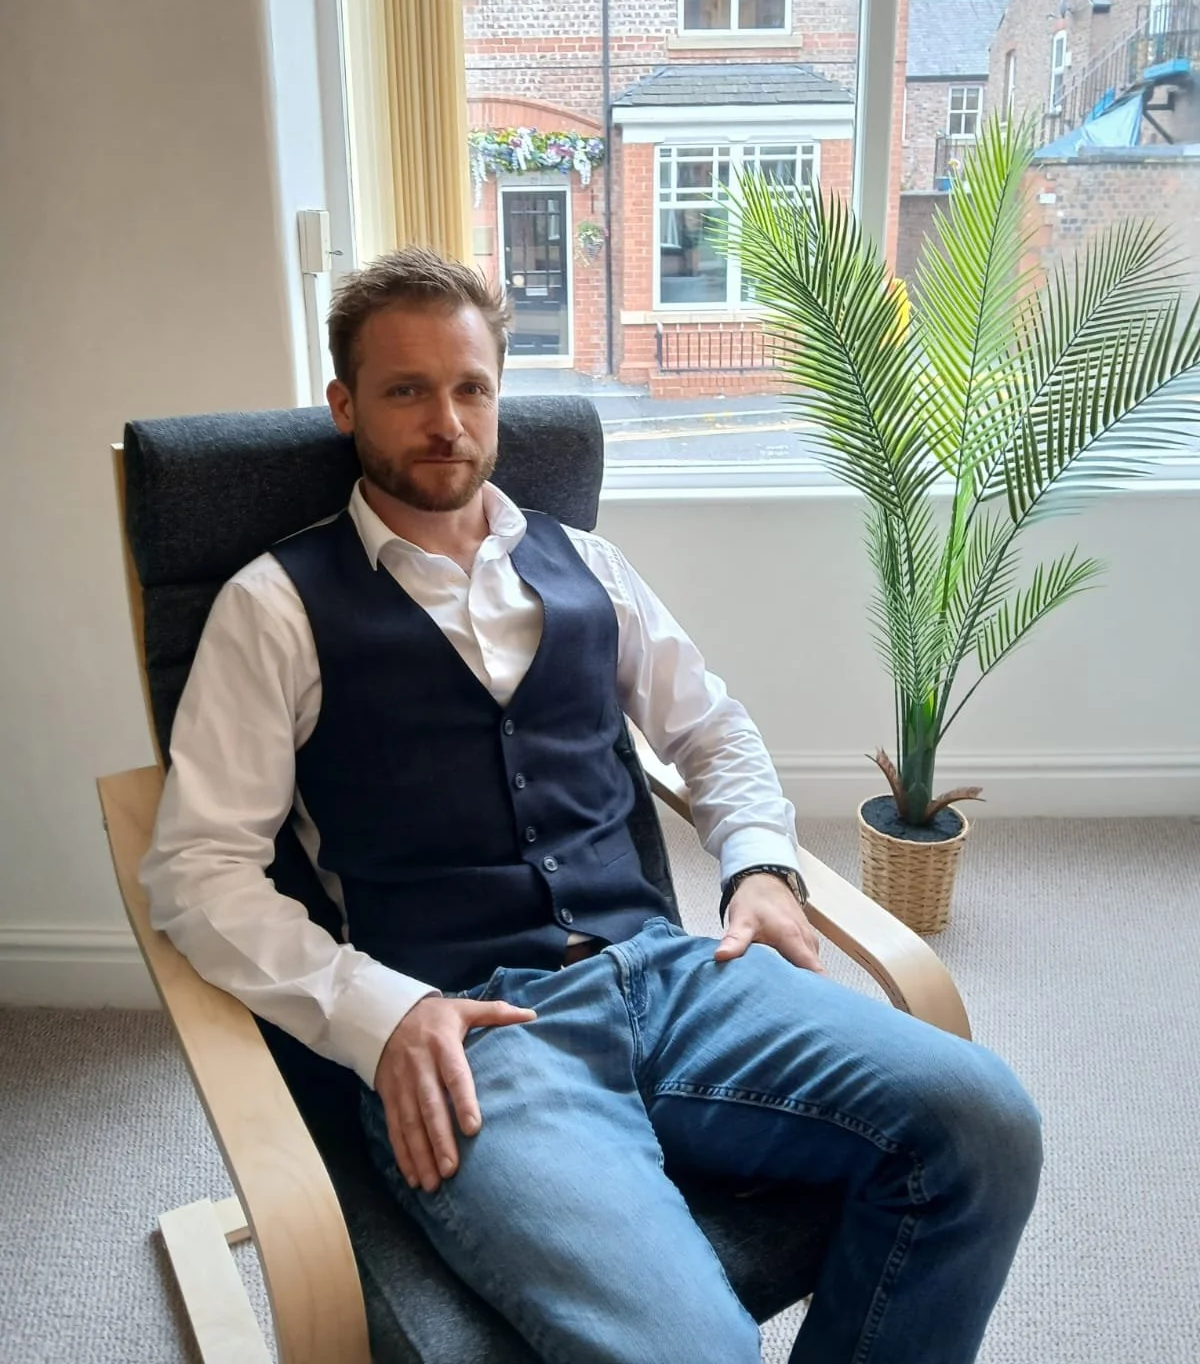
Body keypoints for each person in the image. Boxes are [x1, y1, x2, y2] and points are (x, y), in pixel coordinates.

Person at [142, 246, 1043, 1364]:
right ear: (345, 405)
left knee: (984, 1127)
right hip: (472, 1037)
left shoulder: (590, 568)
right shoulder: (274, 606)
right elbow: (197, 870)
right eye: (406, 390)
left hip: (670, 978)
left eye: (470, 387)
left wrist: (761, 864)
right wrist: (376, 1013)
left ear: (498, 400)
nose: (445, 420)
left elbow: (711, 731)